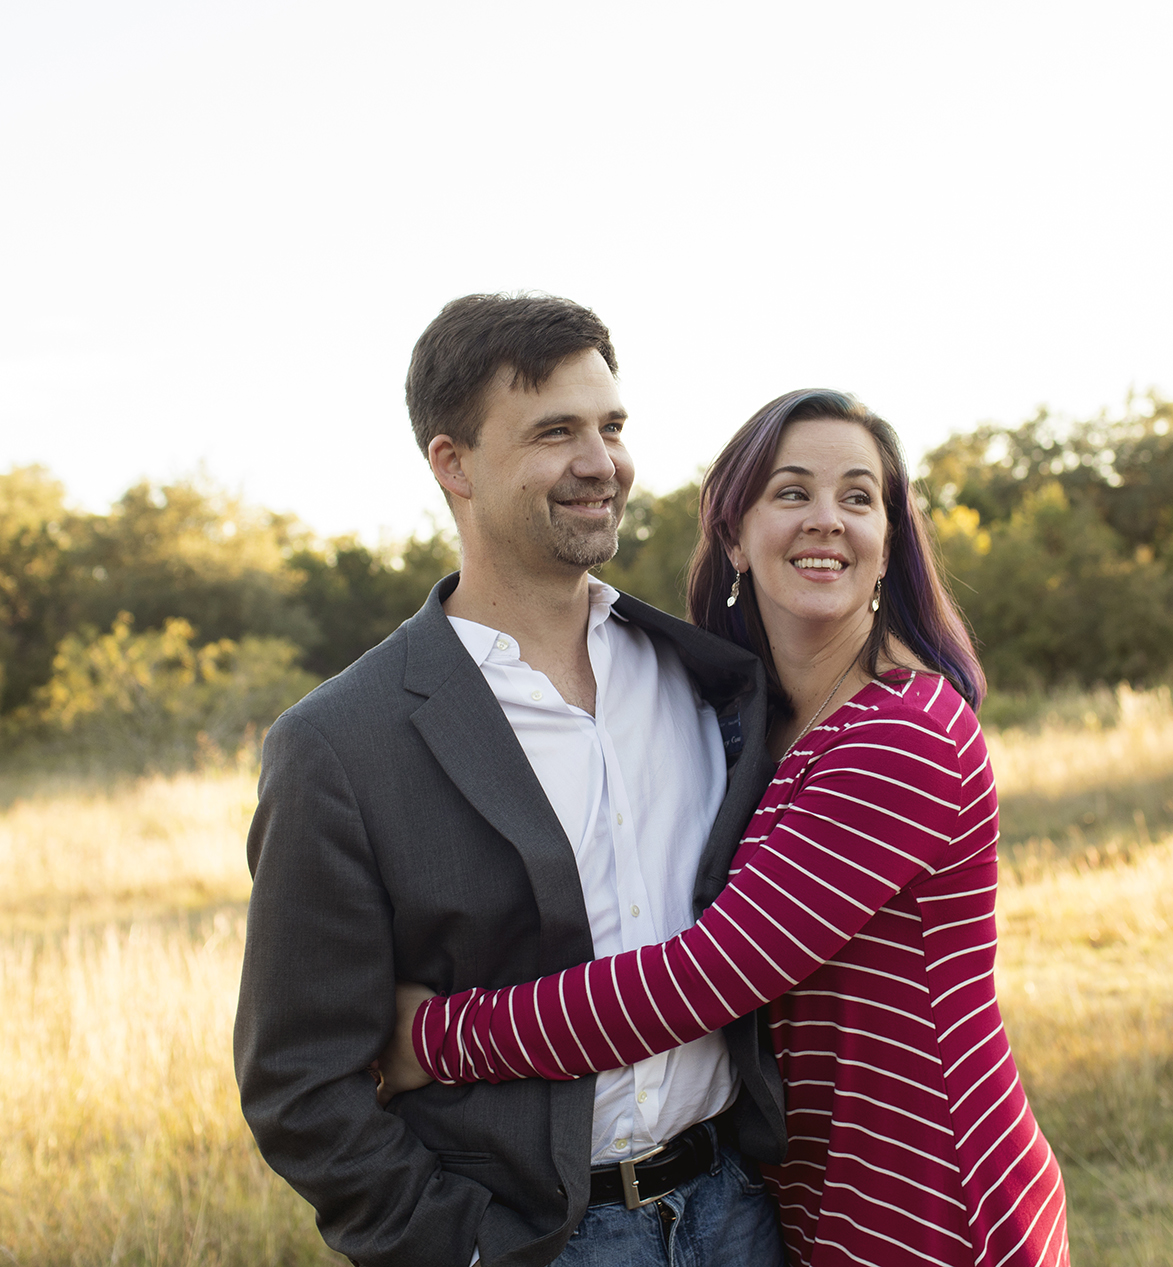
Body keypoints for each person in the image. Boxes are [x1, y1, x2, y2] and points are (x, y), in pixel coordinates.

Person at [377, 389, 1072, 1267]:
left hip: (930, 1188)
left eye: (860, 498)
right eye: (792, 492)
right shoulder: (748, 725)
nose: (828, 520)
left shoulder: (903, 731)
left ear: (890, 544)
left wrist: (440, 1038)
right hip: (808, 1189)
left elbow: (708, 975)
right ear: (735, 535)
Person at [234, 293, 789, 1267]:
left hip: (739, 1215)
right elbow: (298, 1081)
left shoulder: (707, 679)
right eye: (553, 432)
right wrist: (470, 1251)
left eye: (611, 426)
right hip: (542, 1242)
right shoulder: (340, 745)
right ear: (452, 463)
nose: (599, 462)